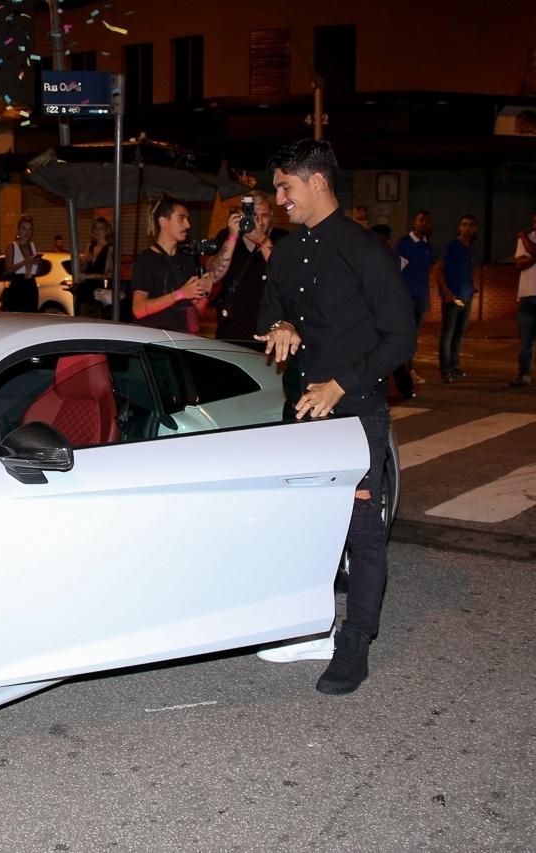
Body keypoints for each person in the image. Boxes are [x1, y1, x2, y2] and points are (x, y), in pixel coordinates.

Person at [254, 138, 416, 695]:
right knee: (302, 523)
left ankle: (356, 642)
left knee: (361, 533)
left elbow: (402, 336)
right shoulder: (291, 250)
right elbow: (271, 308)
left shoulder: (363, 250)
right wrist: (281, 326)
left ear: (317, 182)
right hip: (302, 413)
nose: (279, 200)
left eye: (285, 188)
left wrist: (342, 383)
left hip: (355, 414)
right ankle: (309, 623)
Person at [207, 191, 285, 340]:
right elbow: (214, 275)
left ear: (272, 215)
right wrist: (232, 237)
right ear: (242, 215)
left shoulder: (281, 238)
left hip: (268, 331)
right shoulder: (227, 236)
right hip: (231, 331)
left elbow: (285, 273)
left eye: (265, 216)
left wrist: (261, 239)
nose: (259, 222)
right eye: (254, 216)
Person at [130, 195, 211, 333]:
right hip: (155, 340)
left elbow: (197, 310)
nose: (188, 225)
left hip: (182, 338)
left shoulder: (187, 258)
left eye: (187, 219)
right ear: (163, 221)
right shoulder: (146, 260)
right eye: (181, 218)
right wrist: (179, 294)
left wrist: (205, 294)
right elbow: (138, 310)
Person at [394, 211, 435, 391]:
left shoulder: (428, 246)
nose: (424, 223)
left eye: (427, 221)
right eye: (421, 220)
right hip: (406, 298)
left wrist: (429, 297)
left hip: (422, 297)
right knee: (406, 336)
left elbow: (426, 273)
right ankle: (405, 372)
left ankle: (410, 370)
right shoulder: (404, 244)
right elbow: (396, 270)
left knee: (414, 337)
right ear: (414, 222)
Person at [438, 214, 479, 383]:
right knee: (448, 334)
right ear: (459, 227)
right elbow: (438, 270)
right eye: (464, 225)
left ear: (475, 229)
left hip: (467, 297)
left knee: (459, 334)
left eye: (471, 225)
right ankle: (446, 370)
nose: (467, 228)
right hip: (453, 298)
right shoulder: (452, 246)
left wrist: (473, 287)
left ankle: (454, 367)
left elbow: (468, 271)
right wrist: (447, 292)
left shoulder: (471, 248)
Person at [512, 212, 536, 387]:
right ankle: (524, 374)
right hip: (527, 297)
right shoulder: (525, 239)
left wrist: (523, 238)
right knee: (525, 341)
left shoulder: (524, 238)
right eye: (534, 220)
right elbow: (519, 263)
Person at [74, 217, 114, 318]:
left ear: (107, 231)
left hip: (99, 292)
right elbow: (84, 269)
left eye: (101, 228)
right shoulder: (90, 246)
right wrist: (83, 263)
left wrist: (88, 276)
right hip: (85, 291)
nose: (97, 231)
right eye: (95, 228)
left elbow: (109, 274)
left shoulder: (110, 248)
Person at [1, 215, 41, 312]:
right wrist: (24, 262)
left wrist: (38, 263)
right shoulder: (12, 246)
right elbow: (8, 269)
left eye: (29, 229)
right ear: (19, 230)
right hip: (18, 286)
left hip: (31, 286)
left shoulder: (32, 245)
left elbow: (38, 271)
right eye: (24, 228)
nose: (26, 232)